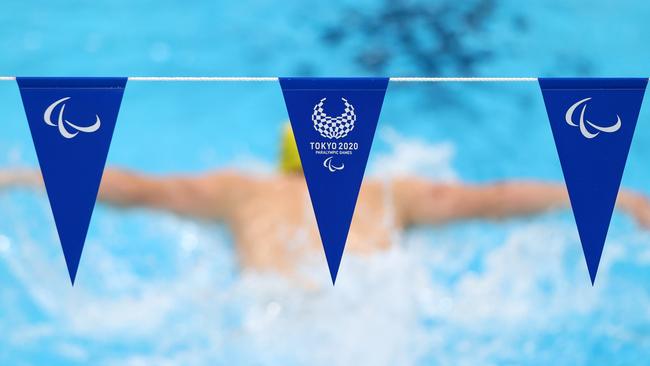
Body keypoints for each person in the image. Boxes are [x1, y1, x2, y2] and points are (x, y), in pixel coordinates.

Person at [2, 124, 650, 278]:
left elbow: (131, 189)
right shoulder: (388, 192)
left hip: (267, 318)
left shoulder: (239, 188)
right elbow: (497, 198)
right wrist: (612, 193)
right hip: (363, 314)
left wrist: (22, 177)